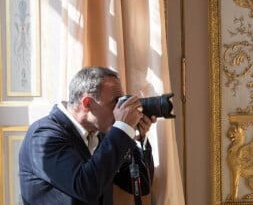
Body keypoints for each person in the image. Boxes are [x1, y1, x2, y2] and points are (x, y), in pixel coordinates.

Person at [19, 66, 157, 205]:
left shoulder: (103, 135)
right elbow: (86, 187)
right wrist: (122, 129)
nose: (120, 109)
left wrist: (138, 138)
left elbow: (140, 186)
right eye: (116, 101)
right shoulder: (44, 137)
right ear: (88, 103)